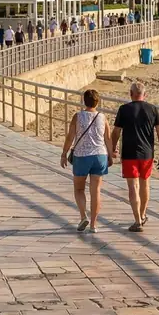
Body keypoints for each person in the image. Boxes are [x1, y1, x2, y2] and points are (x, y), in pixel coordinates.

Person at [110, 81, 159, 232]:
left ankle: (137, 221)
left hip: (129, 153)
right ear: (145, 95)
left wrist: (112, 148)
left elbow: (116, 132)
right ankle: (142, 215)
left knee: (133, 187)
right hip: (147, 153)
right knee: (145, 185)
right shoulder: (153, 109)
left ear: (131, 94)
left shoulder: (124, 109)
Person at [61, 89, 111, 233]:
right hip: (99, 156)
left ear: (84, 101)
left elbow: (70, 137)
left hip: (82, 156)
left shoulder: (78, 116)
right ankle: (94, 225)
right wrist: (110, 154)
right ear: (98, 101)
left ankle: (83, 216)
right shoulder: (103, 117)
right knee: (96, 191)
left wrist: (64, 153)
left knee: (79, 189)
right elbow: (107, 138)